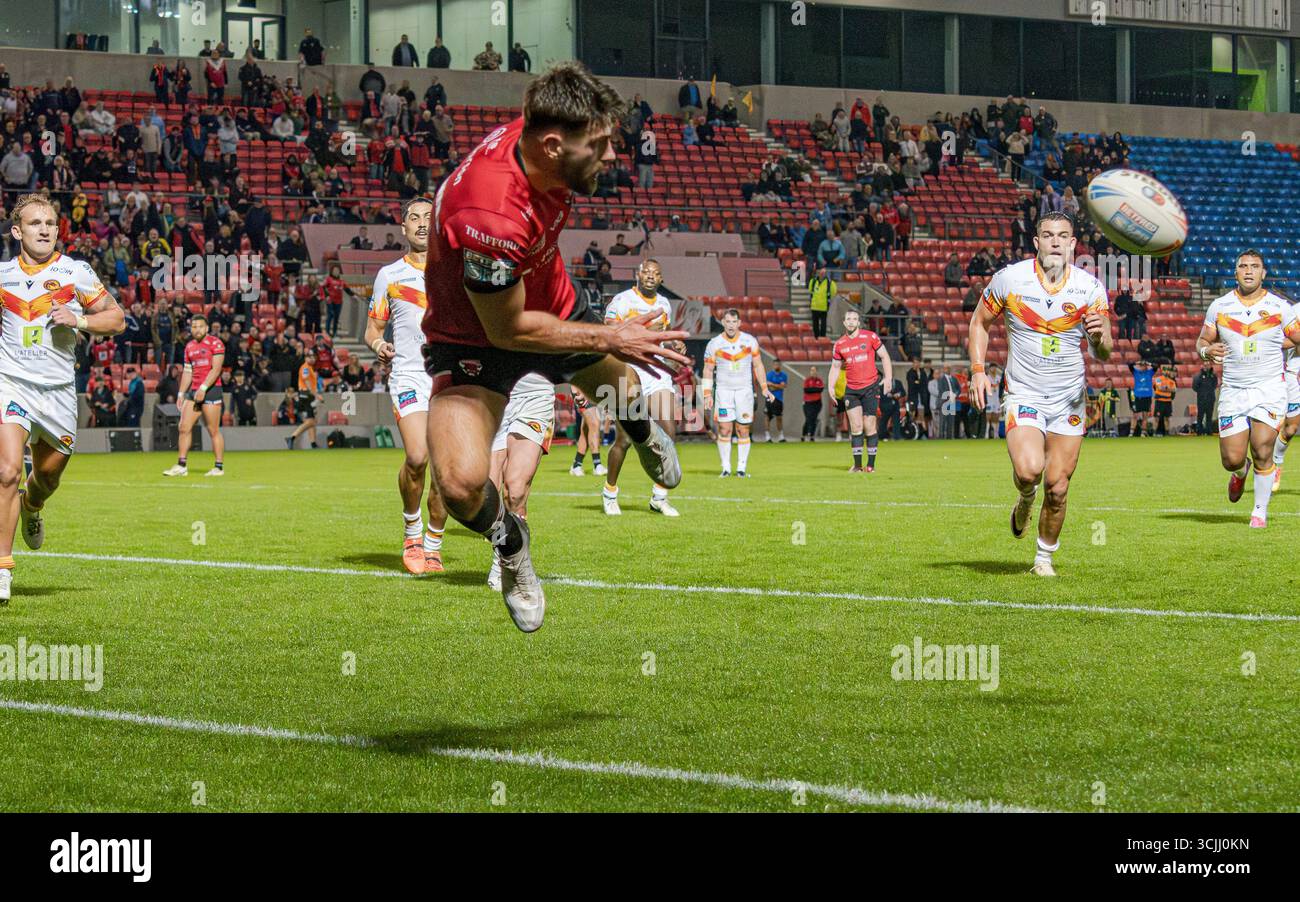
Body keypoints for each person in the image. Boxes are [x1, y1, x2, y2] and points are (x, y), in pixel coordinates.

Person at [419, 63, 688, 633]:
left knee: (626, 389)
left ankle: (642, 433)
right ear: (550, 146)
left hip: (547, 296)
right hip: (476, 334)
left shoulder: (544, 137)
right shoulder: (489, 214)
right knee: (463, 484)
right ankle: (512, 547)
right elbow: (507, 332)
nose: (613, 155)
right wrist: (611, 335)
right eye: (601, 144)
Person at [967, 211, 1111, 577]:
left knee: (1058, 486)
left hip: (1070, 400)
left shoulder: (1090, 288)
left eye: (1063, 236)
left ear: (1074, 244)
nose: (1056, 242)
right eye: (1048, 235)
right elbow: (979, 322)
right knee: (1030, 471)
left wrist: (1098, 338)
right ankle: (1025, 498)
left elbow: (1105, 350)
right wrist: (978, 371)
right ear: (1036, 242)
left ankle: (1043, 559)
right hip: (1024, 393)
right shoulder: (1009, 280)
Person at [0, 196, 125, 600]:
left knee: (47, 479)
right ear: (17, 231)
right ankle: (3, 569)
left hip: (57, 394)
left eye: (50, 223)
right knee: (6, 472)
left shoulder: (76, 272)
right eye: (35, 223)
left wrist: (81, 319)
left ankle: (32, 507)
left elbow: (118, 318)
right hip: (11, 384)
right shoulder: (2, 276)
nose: (44, 229)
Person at [364, 199, 450, 573]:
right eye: (413, 218)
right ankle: (412, 530)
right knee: (417, 457)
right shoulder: (390, 275)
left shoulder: (454, 273)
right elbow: (372, 329)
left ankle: (433, 544)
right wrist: (379, 345)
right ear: (403, 228)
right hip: (410, 377)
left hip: (449, 380)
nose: (420, 223)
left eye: (428, 218)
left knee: (447, 471)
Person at [1197, 250, 1299, 528]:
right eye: (1243, 266)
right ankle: (1240, 473)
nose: (1249, 270)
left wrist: (1280, 346)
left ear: (1264, 273)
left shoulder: (1281, 307)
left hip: (1269, 389)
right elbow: (1203, 339)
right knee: (1231, 459)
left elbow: (1297, 337)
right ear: (1236, 272)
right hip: (1233, 390)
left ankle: (1259, 512)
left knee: (1262, 447)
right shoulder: (1219, 306)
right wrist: (1206, 351)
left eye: (1255, 266)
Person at [600, 260, 681, 517]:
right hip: (629, 371)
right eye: (646, 272)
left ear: (661, 279)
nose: (650, 277)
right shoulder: (622, 301)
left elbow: (663, 335)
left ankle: (659, 497)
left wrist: (675, 345)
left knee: (669, 432)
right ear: (638, 275)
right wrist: (642, 328)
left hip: (656, 372)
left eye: (656, 274)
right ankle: (609, 492)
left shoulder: (665, 304)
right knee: (624, 439)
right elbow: (607, 330)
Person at [701, 309, 773, 477]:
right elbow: (708, 369)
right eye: (728, 321)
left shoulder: (749, 341)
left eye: (734, 322)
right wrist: (706, 394)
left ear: (739, 323)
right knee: (724, 429)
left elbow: (758, 365)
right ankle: (726, 468)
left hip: (744, 392)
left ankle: (741, 468)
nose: (731, 325)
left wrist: (764, 387)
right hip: (723, 393)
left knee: (742, 429)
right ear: (723, 323)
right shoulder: (714, 343)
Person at [826, 309, 892, 472]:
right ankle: (856, 466)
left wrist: (888, 378)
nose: (851, 321)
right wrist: (830, 386)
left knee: (869, 426)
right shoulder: (840, 344)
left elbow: (884, 356)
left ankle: (870, 465)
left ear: (858, 322)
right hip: (852, 390)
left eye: (854, 319)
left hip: (870, 388)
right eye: (848, 319)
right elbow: (835, 367)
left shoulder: (870, 337)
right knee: (856, 427)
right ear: (844, 322)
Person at [163, 314, 226, 477]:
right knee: (183, 427)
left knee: (213, 430)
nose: (196, 329)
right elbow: (188, 372)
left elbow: (216, 369)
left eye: (199, 326)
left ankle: (218, 467)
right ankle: (181, 465)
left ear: (206, 328)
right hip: (194, 391)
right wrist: (181, 393)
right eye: (193, 326)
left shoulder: (216, 343)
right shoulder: (189, 346)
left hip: (211, 390)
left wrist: (203, 388)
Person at [1273, 297, 1300, 485]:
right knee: (1290, 429)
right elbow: (1278, 342)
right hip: (1295, 374)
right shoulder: (1295, 311)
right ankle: (1276, 464)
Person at [568, 386, 606, 476]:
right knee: (594, 424)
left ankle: (576, 465)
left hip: (592, 393)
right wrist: (576, 391)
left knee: (586, 429)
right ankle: (597, 465)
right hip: (581, 391)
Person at [808, 266, 835, 339]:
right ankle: (816, 337)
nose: (822, 274)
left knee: (823, 324)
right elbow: (810, 291)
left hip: (824, 306)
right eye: (821, 272)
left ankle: (823, 338)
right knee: (815, 324)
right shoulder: (813, 281)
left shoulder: (830, 283)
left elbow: (833, 292)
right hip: (814, 306)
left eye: (824, 273)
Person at [765, 359, 788, 442]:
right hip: (769, 398)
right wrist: (778, 385)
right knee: (767, 417)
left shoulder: (784, 375)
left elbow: (783, 386)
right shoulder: (769, 374)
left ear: (780, 365)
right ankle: (767, 436)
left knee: (779, 417)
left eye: (778, 364)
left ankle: (781, 436)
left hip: (779, 399)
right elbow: (768, 386)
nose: (776, 366)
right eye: (775, 364)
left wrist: (773, 385)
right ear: (773, 365)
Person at [1129, 359, 1153, 436]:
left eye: (1144, 365)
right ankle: (1131, 433)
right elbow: (1129, 364)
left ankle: (1143, 432)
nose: (1142, 367)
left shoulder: (1150, 372)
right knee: (1135, 415)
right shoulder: (1136, 372)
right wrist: (1137, 362)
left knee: (1145, 415)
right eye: (1141, 365)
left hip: (1147, 396)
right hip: (1138, 396)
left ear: (1146, 366)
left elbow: (1156, 366)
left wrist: (1148, 363)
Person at [801, 366, 825, 441]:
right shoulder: (807, 380)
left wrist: (812, 389)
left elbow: (821, 389)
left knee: (814, 419)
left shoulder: (819, 380)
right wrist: (816, 389)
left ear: (816, 372)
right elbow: (806, 390)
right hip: (808, 403)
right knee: (808, 418)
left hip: (817, 402)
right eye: (812, 370)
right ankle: (804, 434)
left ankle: (812, 435)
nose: (813, 372)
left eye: (814, 370)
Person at [1152, 364, 1176, 436]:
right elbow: (1159, 388)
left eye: (1167, 370)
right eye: (1165, 370)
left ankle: (1167, 433)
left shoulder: (1171, 381)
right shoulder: (1158, 379)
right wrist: (1168, 388)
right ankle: (1154, 433)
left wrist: (1165, 388)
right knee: (1156, 418)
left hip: (1168, 401)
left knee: (1167, 418)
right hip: (1160, 401)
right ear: (1163, 371)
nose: (1166, 372)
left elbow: (1174, 390)